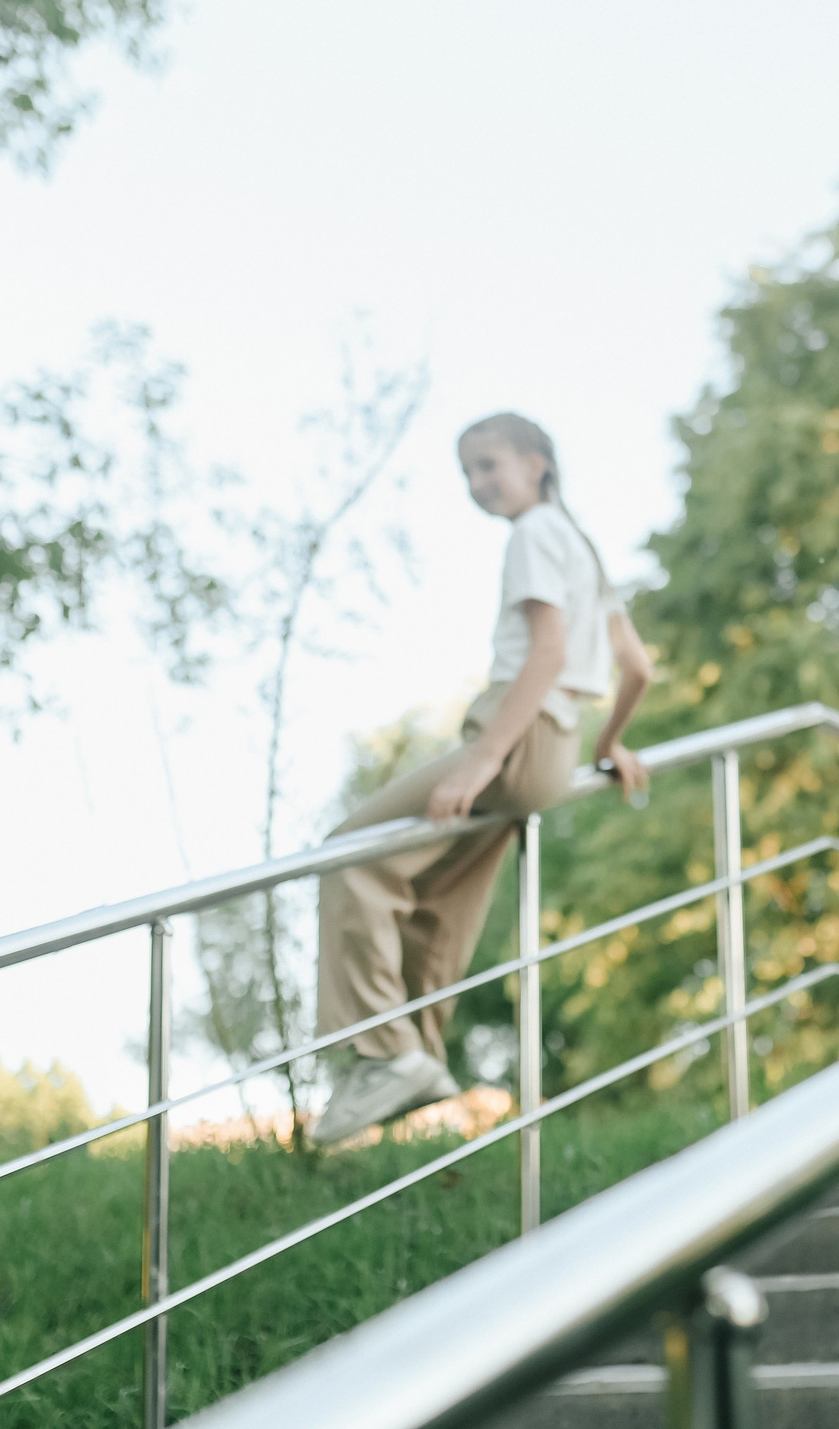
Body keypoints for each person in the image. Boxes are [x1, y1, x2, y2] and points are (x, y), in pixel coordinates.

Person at [310, 412, 653, 1148]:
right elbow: (639, 667)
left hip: (517, 735)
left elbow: (547, 653)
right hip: (554, 748)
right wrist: (609, 742)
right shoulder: (583, 548)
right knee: (439, 897)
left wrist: (482, 759)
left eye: (489, 465)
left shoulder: (533, 534)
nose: (477, 483)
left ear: (537, 464)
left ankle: (389, 1053)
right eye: (468, 472)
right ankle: (417, 1057)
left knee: (350, 853)